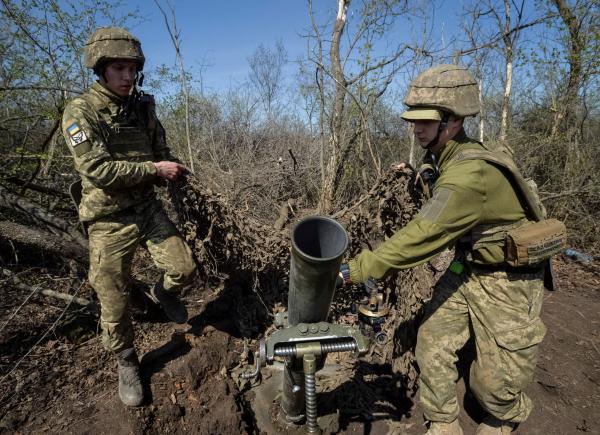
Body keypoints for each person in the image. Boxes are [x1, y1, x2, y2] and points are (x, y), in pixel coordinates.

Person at [338, 64, 561, 434]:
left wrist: (356, 270)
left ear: (454, 121)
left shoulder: (469, 174)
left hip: (510, 280)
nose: (416, 128)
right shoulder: (449, 155)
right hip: (468, 267)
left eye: (425, 121)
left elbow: (424, 234)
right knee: (432, 342)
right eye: (413, 120)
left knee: (493, 388)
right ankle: (442, 421)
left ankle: (505, 416)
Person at [61, 27, 197, 407]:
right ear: (101, 70)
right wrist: (155, 170)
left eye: (132, 69)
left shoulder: (142, 106)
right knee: (113, 297)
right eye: (119, 68)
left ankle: (162, 293)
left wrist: (177, 170)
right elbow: (99, 171)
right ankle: (126, 360)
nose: (127, 76)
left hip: (147, 208)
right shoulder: (80, 112)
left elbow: (161, 147)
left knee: (184, 269)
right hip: (108, 217)